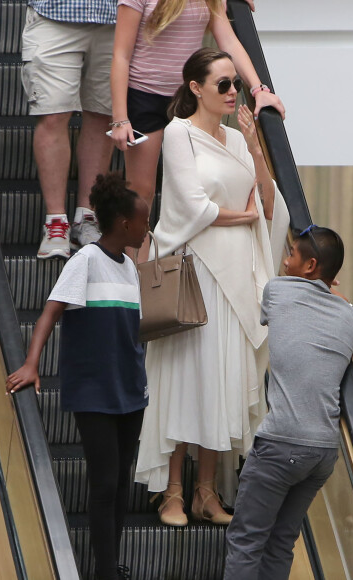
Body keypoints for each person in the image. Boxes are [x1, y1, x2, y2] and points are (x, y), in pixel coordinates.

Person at [134, 48, 290, 527]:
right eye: (222, 84)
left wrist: (256, 148)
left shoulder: (238, 139)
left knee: (220, 381)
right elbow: (190, 207)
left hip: (235, 275)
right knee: (186, 378)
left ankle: (206, 490)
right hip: (196, 273)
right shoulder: (179, 132)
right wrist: (239, 215)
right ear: (195, 88)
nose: (231, 92)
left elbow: (266, 205)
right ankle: (173, 493)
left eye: (235, 85)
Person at [6, 173, 150, 580]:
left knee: (121, 481)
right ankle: (104, 570)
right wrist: (32, 363)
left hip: (129, 389)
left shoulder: (131, 270)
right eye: (143, 221)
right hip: (94, 391)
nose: (147, 228)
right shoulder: (85, 259)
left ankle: (111, 564)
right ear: (124, 223)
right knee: (104, 482)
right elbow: (50, 312)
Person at [224, 225, 353, 580]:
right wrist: (341, 301)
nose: (284, 259)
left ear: (309, 265)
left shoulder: (278, 290)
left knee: (246, 540)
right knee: (281, 542)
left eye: (291, 253)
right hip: (323, 452)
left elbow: (270, 311)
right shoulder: (346, 315)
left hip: (282, 443)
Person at [110, 0, 286, 260]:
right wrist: (120, 118)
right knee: (142, 191)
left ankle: (181, 265)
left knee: (199, 184)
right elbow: (120, 55)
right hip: (144, 95)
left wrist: (259, 89)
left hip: (187, 96)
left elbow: (229, 42)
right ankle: (138, 275)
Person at [21, 0, 118, 259]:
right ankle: (55, 222)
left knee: (103, 115)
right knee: (52, 115)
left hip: (115, 17)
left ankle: (87, 217)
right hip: (54, 13)